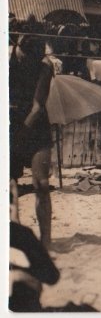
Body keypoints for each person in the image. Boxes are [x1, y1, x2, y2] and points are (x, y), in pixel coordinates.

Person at [9, 18, 54, 248]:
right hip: (9, 123)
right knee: (9, 185)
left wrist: (20, 135)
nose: (28, 63)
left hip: (35, 126)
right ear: (17, 45)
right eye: (24, 57)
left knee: (42, 184)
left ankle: (45, 242)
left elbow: (38, 106)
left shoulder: (45, 65)